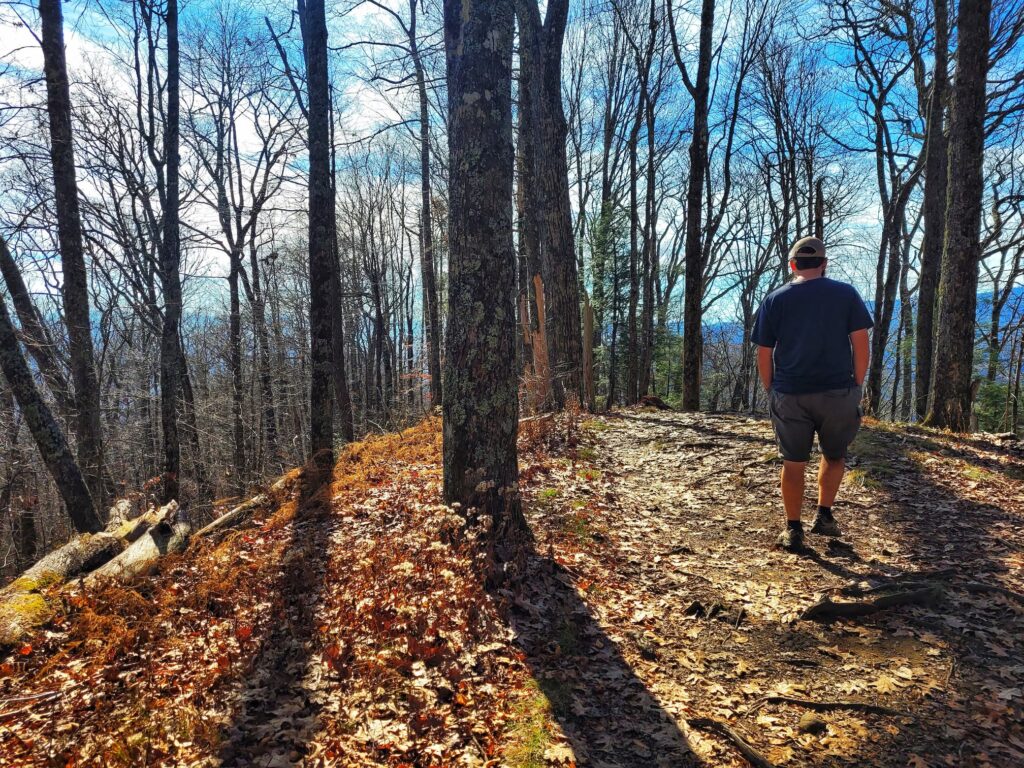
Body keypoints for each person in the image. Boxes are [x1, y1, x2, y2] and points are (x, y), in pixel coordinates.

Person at [752, 236, 873, 552]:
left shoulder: (775, 300)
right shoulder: (845, 294)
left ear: (792, 265)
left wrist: (772, 388)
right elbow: (861, 343)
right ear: (824, 264)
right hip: (838, 391)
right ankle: (824, 515)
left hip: (790, 393)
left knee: (793, 463)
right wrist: (856, 385)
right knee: (834, 456)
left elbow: (764, 352)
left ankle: (793, 530)